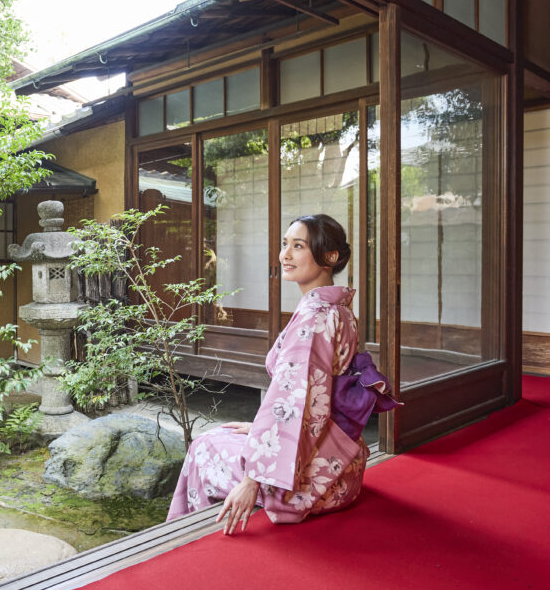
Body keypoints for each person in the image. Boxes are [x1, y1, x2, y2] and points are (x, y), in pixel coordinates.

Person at [167, 214, 398, 534]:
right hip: (345, 469)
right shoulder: (339, 309)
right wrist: (257, 430)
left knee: (205, 445)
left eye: (298, 246)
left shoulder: (314, 319)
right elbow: (310, 404)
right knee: (230, 435)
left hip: (317, 484)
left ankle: (187, 538)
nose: (285, 254)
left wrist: (252, 479)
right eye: (285, 244)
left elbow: (294, 403)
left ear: (330, 257)